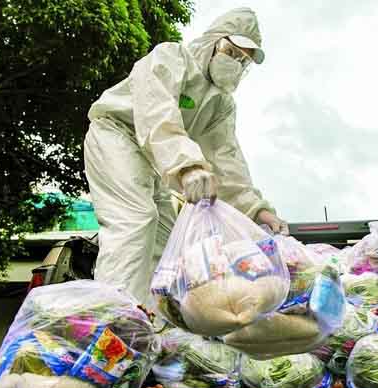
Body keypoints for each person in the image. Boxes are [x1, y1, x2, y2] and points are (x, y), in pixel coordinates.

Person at [84, 7, 289, 305]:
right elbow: (156, 111)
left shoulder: (221, 104)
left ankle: (151, 321)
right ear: (212, 42)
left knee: (168, 243)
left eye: (243, 60)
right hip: (117, 134)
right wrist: (187, 166)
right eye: (231, 52)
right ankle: (112, 313)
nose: (236, 63)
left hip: (154, 161)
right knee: (136, 220)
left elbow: (227, 160)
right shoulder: (172, 57)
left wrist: (257, 210)